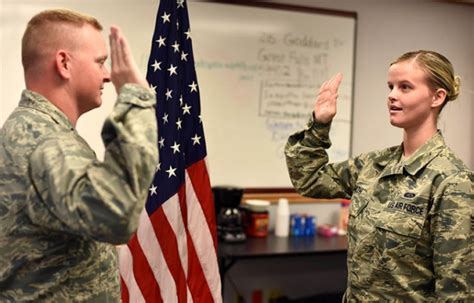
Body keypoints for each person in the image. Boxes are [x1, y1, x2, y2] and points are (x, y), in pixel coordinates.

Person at [285, 50, 473, 301]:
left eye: (405, 87)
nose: (392, 95)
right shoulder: (374, 165)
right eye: (391, 86)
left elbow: (456, 292)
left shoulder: (452, 181)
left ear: (437, 97)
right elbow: (310, 180)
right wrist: (319, 124)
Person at [0, 9, 158, 302]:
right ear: (64, 64)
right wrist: (137, 100)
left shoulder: (31, 129)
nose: (109, 75)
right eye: (100, 62)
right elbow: (117, 214)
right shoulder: (45, 141)